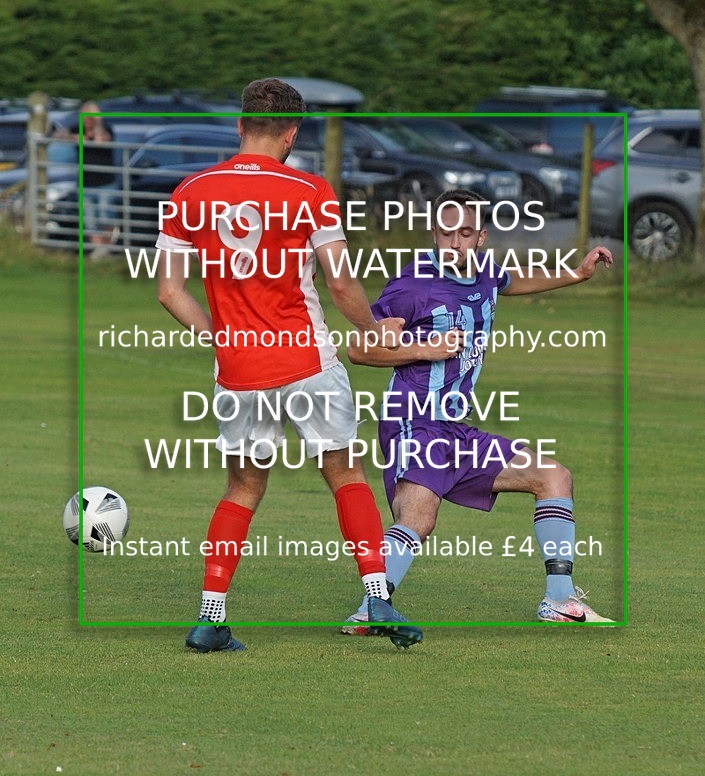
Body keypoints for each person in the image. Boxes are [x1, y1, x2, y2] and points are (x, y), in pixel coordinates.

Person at [156, 78, 421, 652]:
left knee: (243, 487)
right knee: (346, 476)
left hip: (238, 371)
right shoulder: (309, 191)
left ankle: (210, 618)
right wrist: (375, 332)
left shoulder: (190, 192)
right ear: (293, 132)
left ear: (240, 125)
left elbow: (169, 292)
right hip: (306, 360)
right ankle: (377, 598)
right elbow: (341, 281)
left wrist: (219, 336)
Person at [342, 188, 615, 631]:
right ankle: (369, 609)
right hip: (413, 419)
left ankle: (560, 601)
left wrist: (577, 274)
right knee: (417, 517)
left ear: (480, 238)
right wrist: (425, 349)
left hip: (454, 427)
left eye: (464, 233)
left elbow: (512, 281)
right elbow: (360, 349)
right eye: (446, 233)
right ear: (434, 233)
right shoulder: (413, 285)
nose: (454, 242)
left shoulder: (485, 271)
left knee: (553, 477)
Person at [55, 100, 116, 252]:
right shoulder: (78, 129)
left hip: (105, 182)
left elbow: (101, 140)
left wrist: (97, 122)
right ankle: (98, 250)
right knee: (88, 221)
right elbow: (58, 135)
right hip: (85, 182)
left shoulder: (106, 128)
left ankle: (106, 248)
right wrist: (73, 137)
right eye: (85, 117)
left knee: (105, 216)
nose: (87, 121)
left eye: (91, 118)